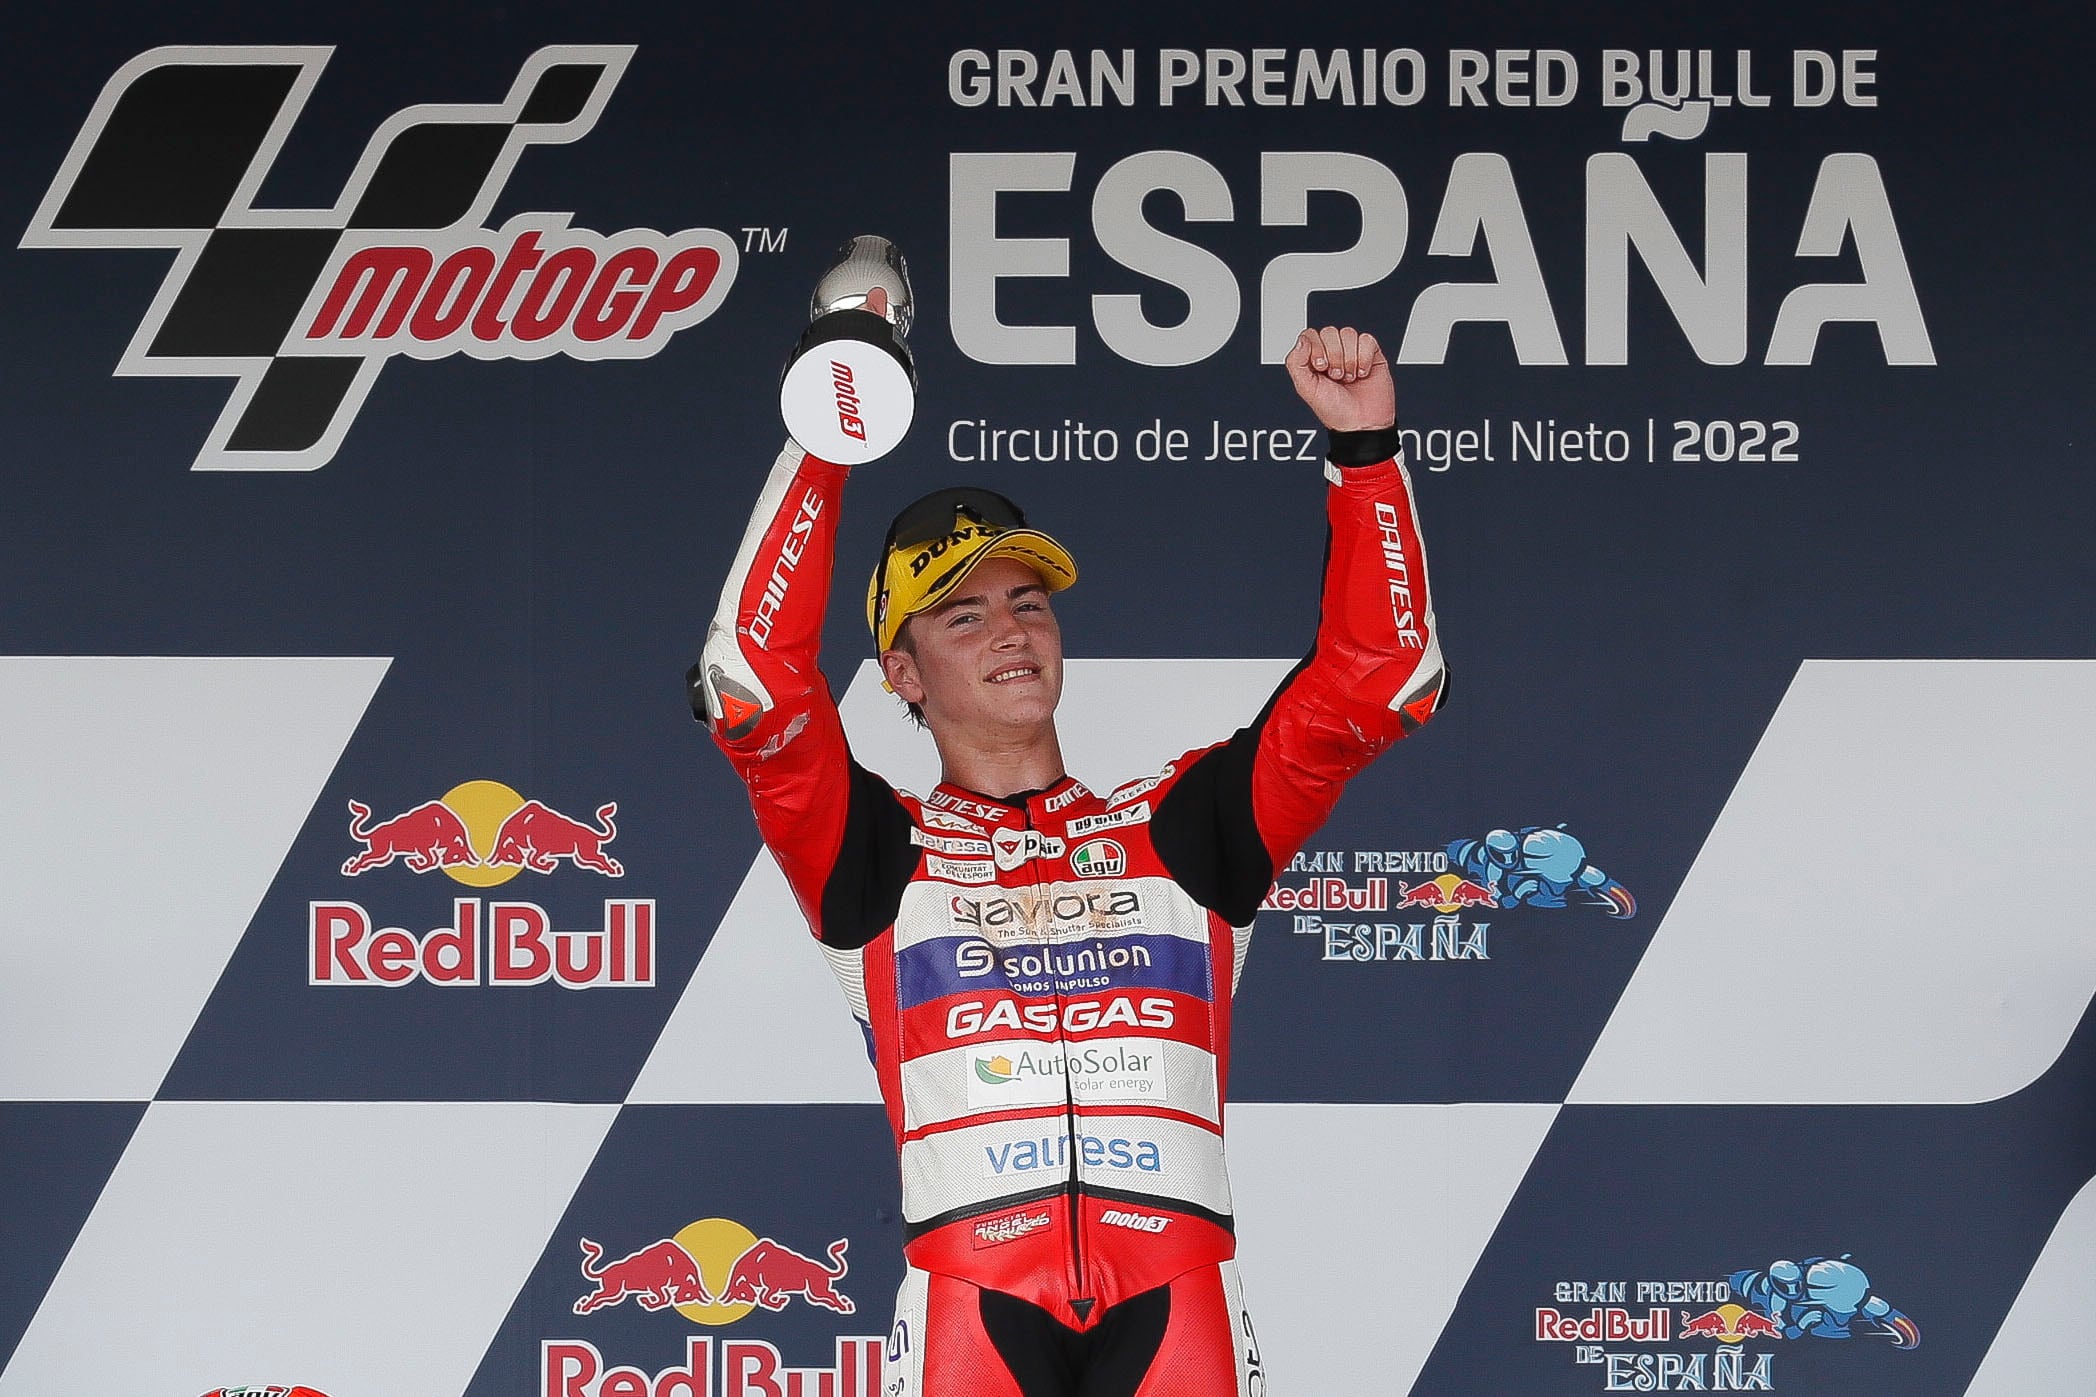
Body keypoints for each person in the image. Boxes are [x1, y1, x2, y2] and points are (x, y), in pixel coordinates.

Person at [691, 305, 1446, 1395]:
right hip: (970, 1305)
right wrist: (829, 424)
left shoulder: (1185, 822)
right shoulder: (874, 851)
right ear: (900, 674)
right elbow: (752, 685)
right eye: (959, 615)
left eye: (1026, 600)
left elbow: (1382, 678)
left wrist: (1364, 451)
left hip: (1175, 1297)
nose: (1009, 630)